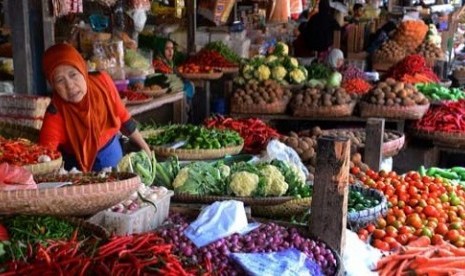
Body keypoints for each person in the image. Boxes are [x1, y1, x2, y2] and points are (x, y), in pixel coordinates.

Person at [39, 43, 151, 172]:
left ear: (82, 69)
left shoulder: (102, 82)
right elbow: (45, 157)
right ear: (53, 85)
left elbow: (125, 120)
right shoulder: (55, 113)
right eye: (60, 80)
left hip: (113, 156)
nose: (70, 86)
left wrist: (147, 150)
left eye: (73, 75)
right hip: (77, 171)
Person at [152, 38, 195, 102]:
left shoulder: (169, 63)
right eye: (167, 48)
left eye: (172, 48)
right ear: (160, 50)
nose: (170, 51)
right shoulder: (157, 64)